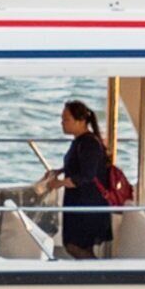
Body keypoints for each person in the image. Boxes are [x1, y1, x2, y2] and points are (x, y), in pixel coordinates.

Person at [36, 99, 118, 259]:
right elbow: (77, 166)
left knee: (75, 246)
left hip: (88, 204)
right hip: (79, 201)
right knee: (74, 245)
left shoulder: (89, 144)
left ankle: (97, 275)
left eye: (66, 119)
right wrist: (59, 171)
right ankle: (93, 275)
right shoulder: (80, 142)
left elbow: (87, 175)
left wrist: (59, 183)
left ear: (81, 121)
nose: (62, 123)